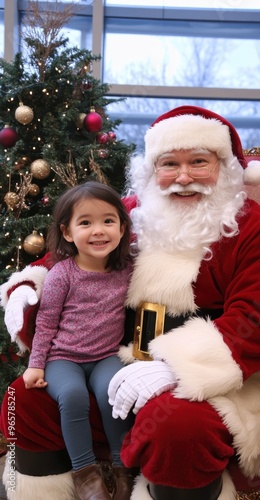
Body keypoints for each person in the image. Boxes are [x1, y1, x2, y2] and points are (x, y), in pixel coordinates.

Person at [1, 105, 260, 500]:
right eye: (169, 164)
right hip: (110, 357)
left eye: (198, 162)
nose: (183, 177)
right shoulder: (131, 216)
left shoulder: (257, 232)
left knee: (177, 429)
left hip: (214, 382)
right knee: (26, 400)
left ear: (226, 169)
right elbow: (69, 258)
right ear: (152, 171)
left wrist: (177, 367)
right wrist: (29, 286)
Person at [21, 180, 136, 500]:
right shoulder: (62, 274)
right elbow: (45, 323)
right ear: (68, 232)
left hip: (105, 356)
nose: (98, 230)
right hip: (64, 359)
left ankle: (122, 467)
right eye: (86, 222)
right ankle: (85, 474)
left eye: (108, 221)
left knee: (115, 392)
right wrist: (36, 366)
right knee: (72, 396)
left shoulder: (126, 268)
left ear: (123, 228)